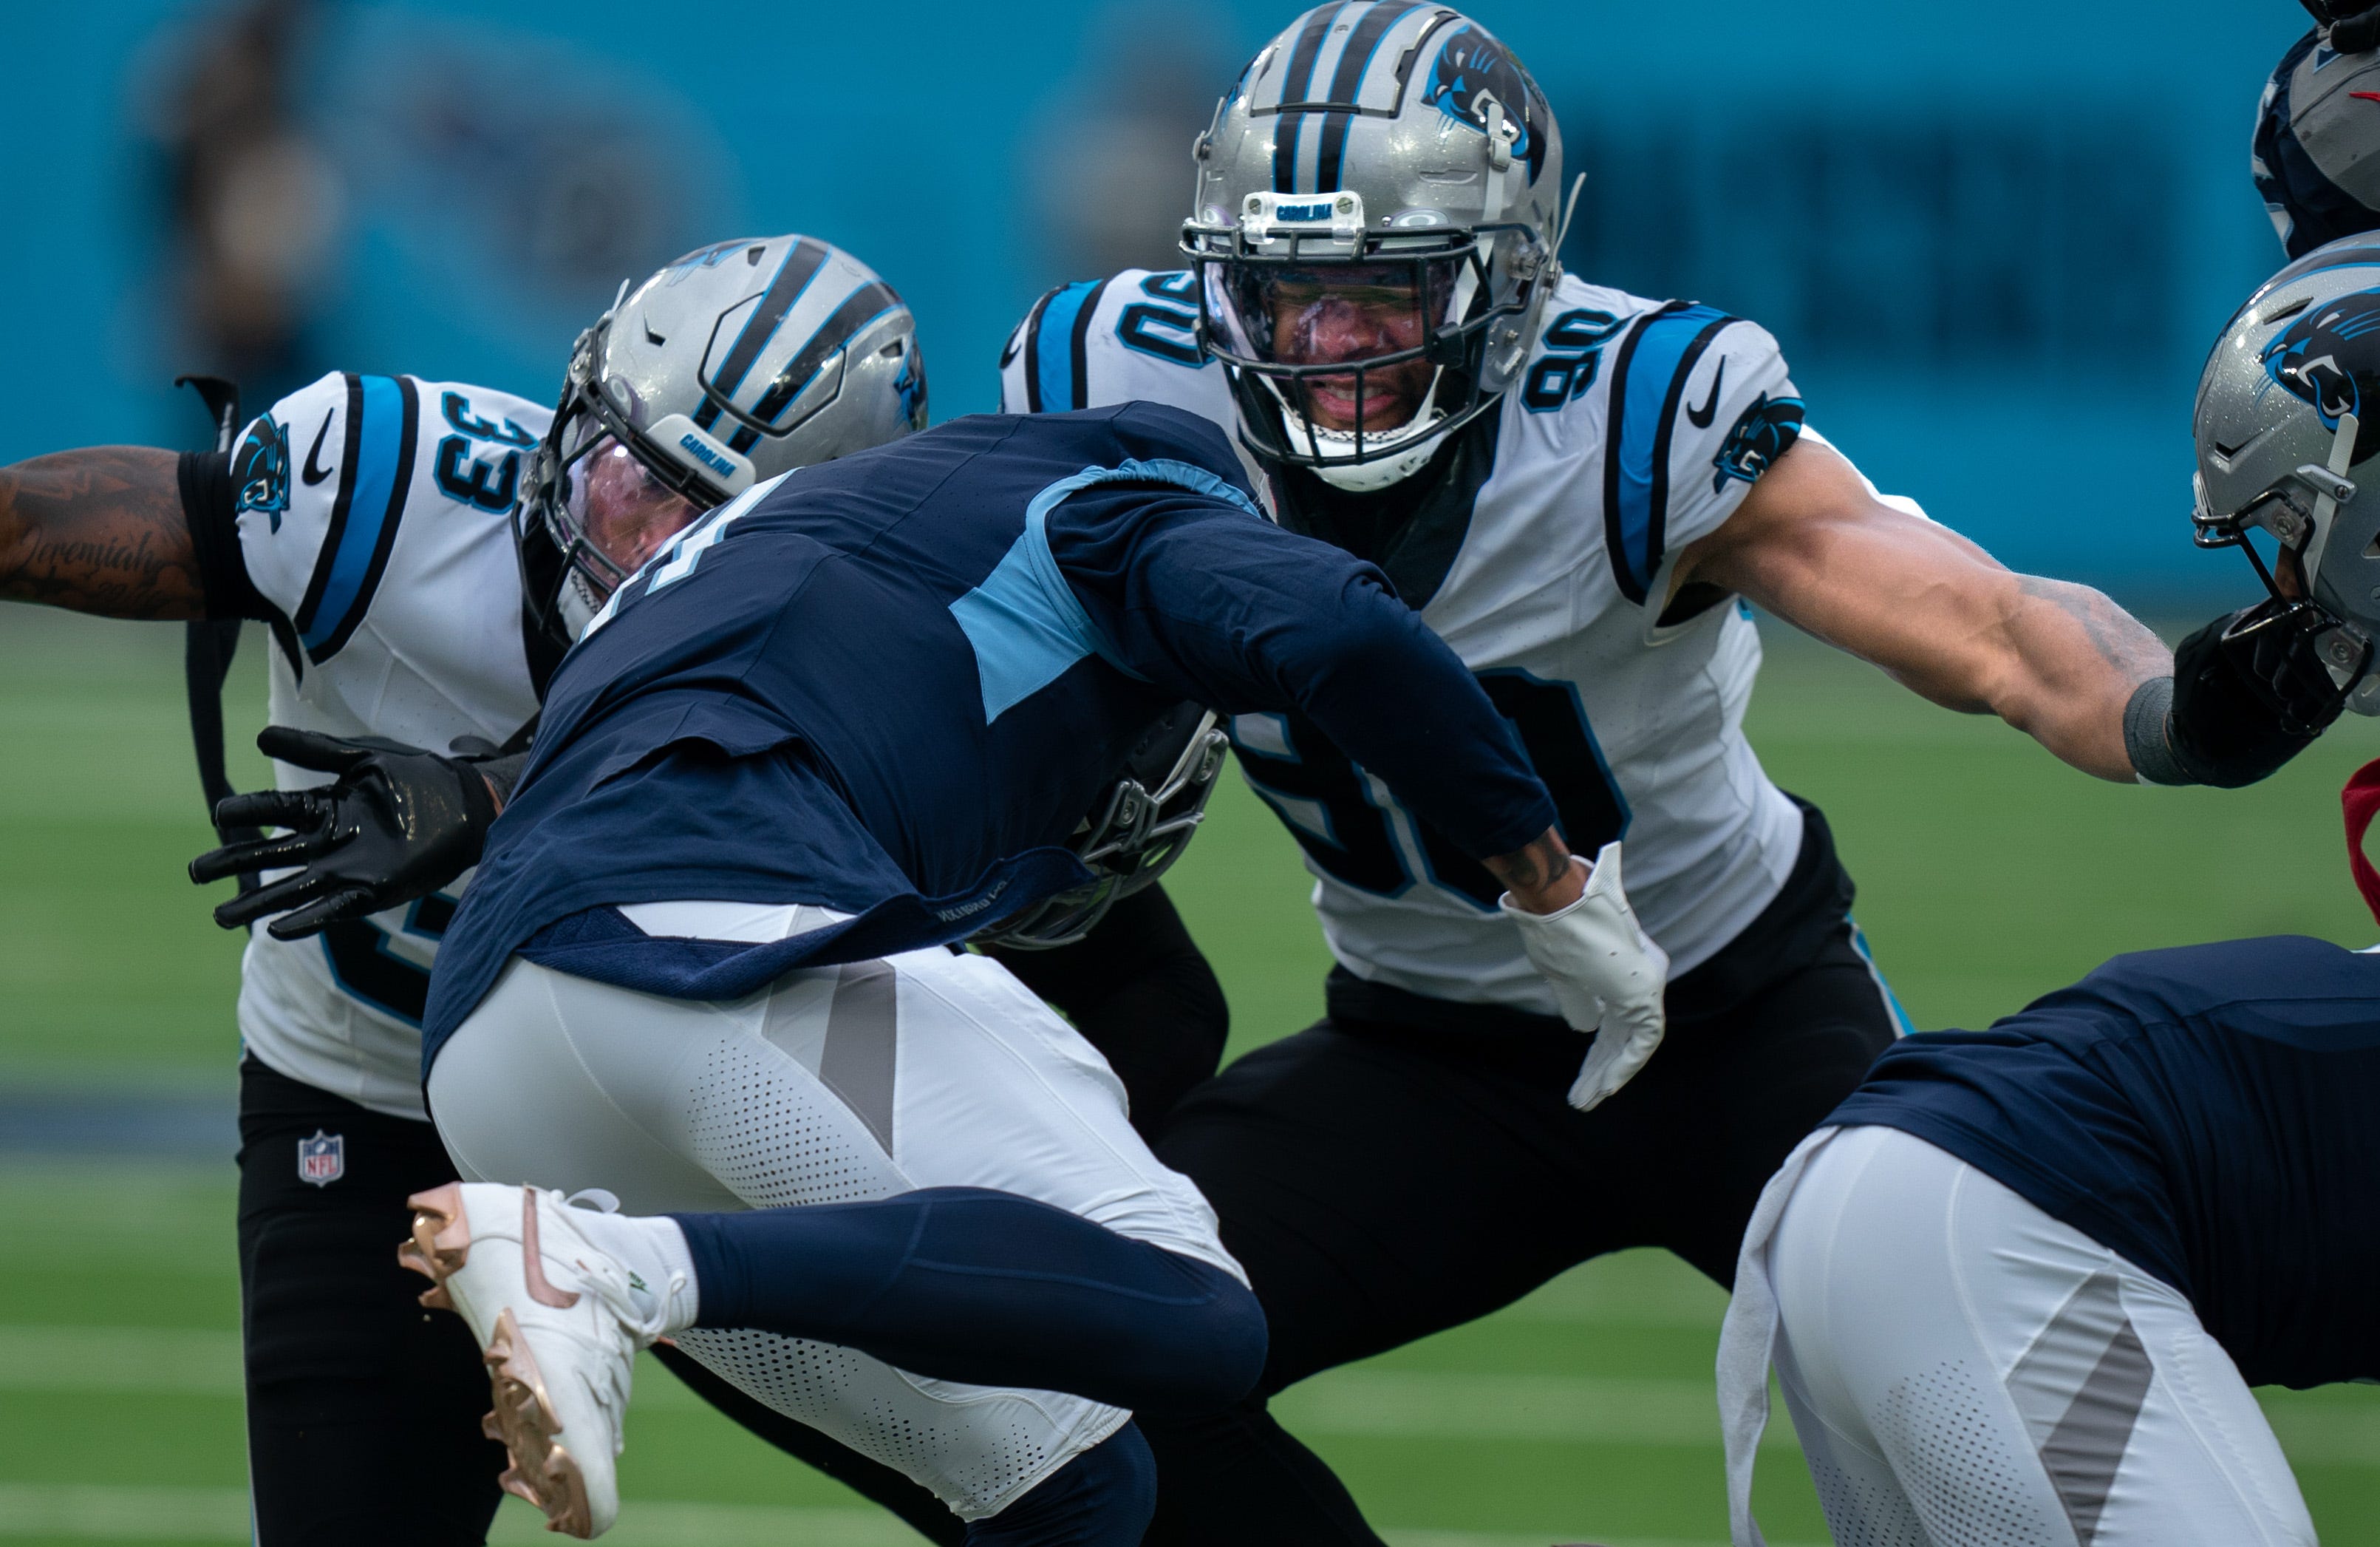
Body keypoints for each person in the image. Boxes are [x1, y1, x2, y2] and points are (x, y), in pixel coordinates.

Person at [996, 8, 2334, 1542]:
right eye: (1286, 294)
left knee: (1971, 1409)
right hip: (1416, 1056)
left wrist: (2177, 712)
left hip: (1743, 1020)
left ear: (1511, 276)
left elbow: (1990, 625)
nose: (1330, 344)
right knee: (1069, 1371)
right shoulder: (1116, 383)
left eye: (1384, 290)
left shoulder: (1629, 410)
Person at [405, 398, 1669, 1543]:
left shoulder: (800, 537)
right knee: (1198, 1311)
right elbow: (1336, 625)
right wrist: (1547, 878)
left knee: (1068, 1482)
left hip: (489, 1052)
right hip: (701, 925)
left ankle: (614, 1261)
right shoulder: (1112, 492)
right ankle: (621, 1268)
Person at [0, 233, 1038, 1545]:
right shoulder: (382, 487)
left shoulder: (867, 646)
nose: (639, 555)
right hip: (372, 1103)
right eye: (624, 487)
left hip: (693, 1120)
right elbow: (50, 528)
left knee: (1040, 1461)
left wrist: (484, 795)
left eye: (702, 533)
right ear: (573, 414)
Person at [1714, 234, 2380, 1537]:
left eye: (2299, 531)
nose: (2289, 582)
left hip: (1922, 1211)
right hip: (1995, 1235)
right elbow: (1997, 631)